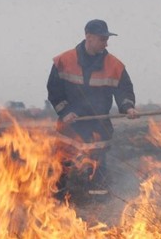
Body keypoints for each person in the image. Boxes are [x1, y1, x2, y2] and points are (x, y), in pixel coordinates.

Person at [47, 19, 138, 201]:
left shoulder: (115, 65)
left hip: (99, 125)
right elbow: (54, 90)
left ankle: (99, 206)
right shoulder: (64, 61)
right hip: (70, 125)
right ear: (88, 37)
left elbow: (124, 90)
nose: (106, 43)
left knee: (99, 167)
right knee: (62, 164)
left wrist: (128, 107)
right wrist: (65, 112)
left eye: (106, 39)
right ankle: (56, 202)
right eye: (102, 38)